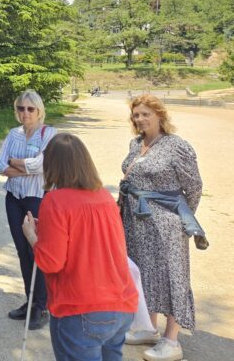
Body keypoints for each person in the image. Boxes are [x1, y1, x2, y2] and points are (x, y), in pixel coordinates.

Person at [21, 133, 137, 361]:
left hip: (81, 307)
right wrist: (45, 230)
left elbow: (50, 262)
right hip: (121, 304)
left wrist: (31, 236)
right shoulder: (104, 197)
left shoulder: (55, 201)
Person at [118, 95, 203, 361]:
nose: (140, 119)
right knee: (142, 273)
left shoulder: (176, 146)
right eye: (136, 115)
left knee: (171, 277)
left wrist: (176, 216)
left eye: (145, 114)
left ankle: (172, 341)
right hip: (135, 221)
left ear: (159, 115)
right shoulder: (136, 143)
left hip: (165, 225)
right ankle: (147, 327)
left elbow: (195, 187)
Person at [0, 89, 57, 330]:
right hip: (14, 198)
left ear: (39, 110)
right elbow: (0, 166)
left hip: (36, 199)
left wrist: (15, 162)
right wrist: (24, 166)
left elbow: (42, 164)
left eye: (30, 109)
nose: (25, 113)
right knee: (22, 251)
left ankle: (41, 306)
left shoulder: (49, 134)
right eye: (21, 108)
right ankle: (30, 301)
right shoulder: (13, 134)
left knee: (36, 252)